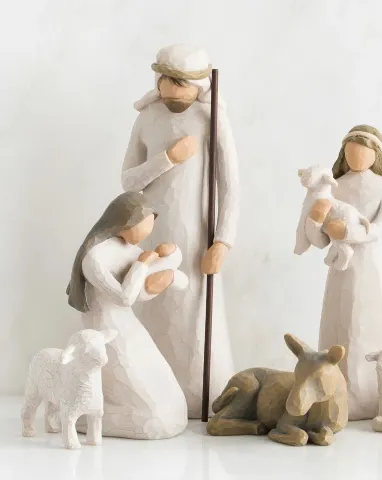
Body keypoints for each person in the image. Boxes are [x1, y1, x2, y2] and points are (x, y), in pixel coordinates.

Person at [121, 44, 239, 417]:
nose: (171, 88)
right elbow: (129, 181)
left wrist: (223, 241)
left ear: (198, 84)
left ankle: (205, 396)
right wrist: (168, 158)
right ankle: (154, 395)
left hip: (196, 240)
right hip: (152, 236)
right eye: (166, 79)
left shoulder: (212, 118)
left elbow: (231, 186)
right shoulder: (147, 118)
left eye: (180, 82)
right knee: (154, 310)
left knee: (196, 315)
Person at [67, 192, 188, 438]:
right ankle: (78, 416)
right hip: (106, 333)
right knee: (154, 415)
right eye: (143, 227)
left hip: (127, 325)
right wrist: (143, 264)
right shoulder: (93, 258)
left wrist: (173, 257)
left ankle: (97, 413)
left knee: (171, 402)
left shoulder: (126, 247)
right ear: (125, 221)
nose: (146, 234)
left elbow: (141, 287)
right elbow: (125, 297)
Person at [298, 125, 382, 420]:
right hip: (342, 269)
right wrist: (315, 221)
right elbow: (320, 240)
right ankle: (336, 393)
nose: (357, 156)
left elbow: (379, 227)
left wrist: (349, 232)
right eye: (351, 150)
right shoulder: (335, 186)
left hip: (371, 265)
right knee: (340, 322)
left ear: (376, 154)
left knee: (372, 321)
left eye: (364, 150)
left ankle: (378, 395)